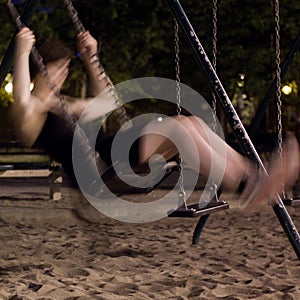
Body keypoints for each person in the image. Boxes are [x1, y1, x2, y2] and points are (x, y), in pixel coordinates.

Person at [10, 27, 300, 211]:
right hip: (99, 171)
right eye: (58, 69)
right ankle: (247, 184)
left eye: (65, 69)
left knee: (189, 124)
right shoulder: (30, 114)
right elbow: (23, 99)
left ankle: (253, 177)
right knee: (176, 130)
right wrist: (21, 52)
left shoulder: (65, 104)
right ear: (39, 71)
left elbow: (106, 102)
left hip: (113, 153)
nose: (63, 75)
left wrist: (90, 59)